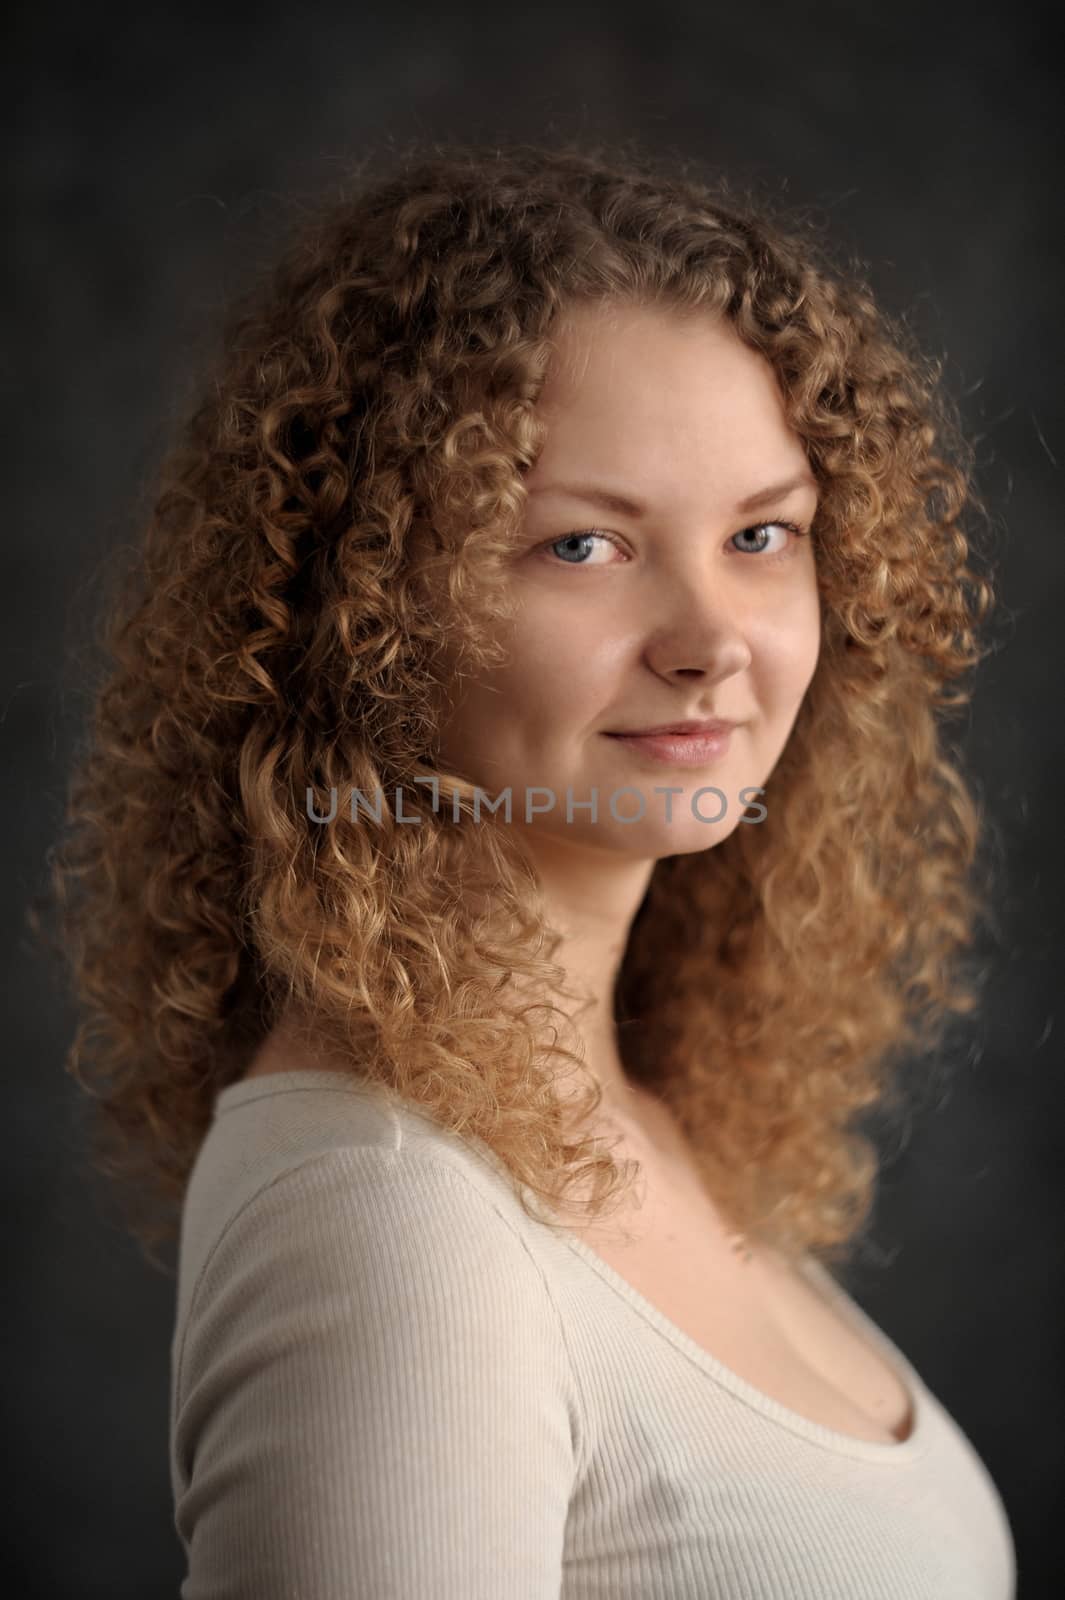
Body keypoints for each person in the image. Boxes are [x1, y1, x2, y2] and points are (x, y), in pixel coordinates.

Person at [43, 138, 1016, 1596]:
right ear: (364, 609)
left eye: (763, 534)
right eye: (582, 546)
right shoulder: (388, 1211)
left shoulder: (626, 1108)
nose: (710, 638)